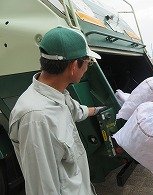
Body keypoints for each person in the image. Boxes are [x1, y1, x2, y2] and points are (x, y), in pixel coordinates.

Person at [8, 26, 103, 195]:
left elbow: (76, 111)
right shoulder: (36, 118)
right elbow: (42, 188)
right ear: (74, 66)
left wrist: (98, 109)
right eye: (88, 62)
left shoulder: (57, 94)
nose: (88, 67)